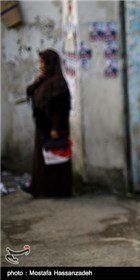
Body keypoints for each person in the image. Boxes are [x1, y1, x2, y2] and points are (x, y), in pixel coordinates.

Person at [25, 49, 72, 198]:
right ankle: (40, 188)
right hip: (43, 125)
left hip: (53, 126)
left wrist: (55, 128)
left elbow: (60, 107)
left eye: (43, 62)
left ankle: (58, 190)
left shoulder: (58, 82)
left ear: (50, 63)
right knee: (44, 159)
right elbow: (30, 91)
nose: (41, 65)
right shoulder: (46, 80)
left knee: (56, 158)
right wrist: (38, 80)